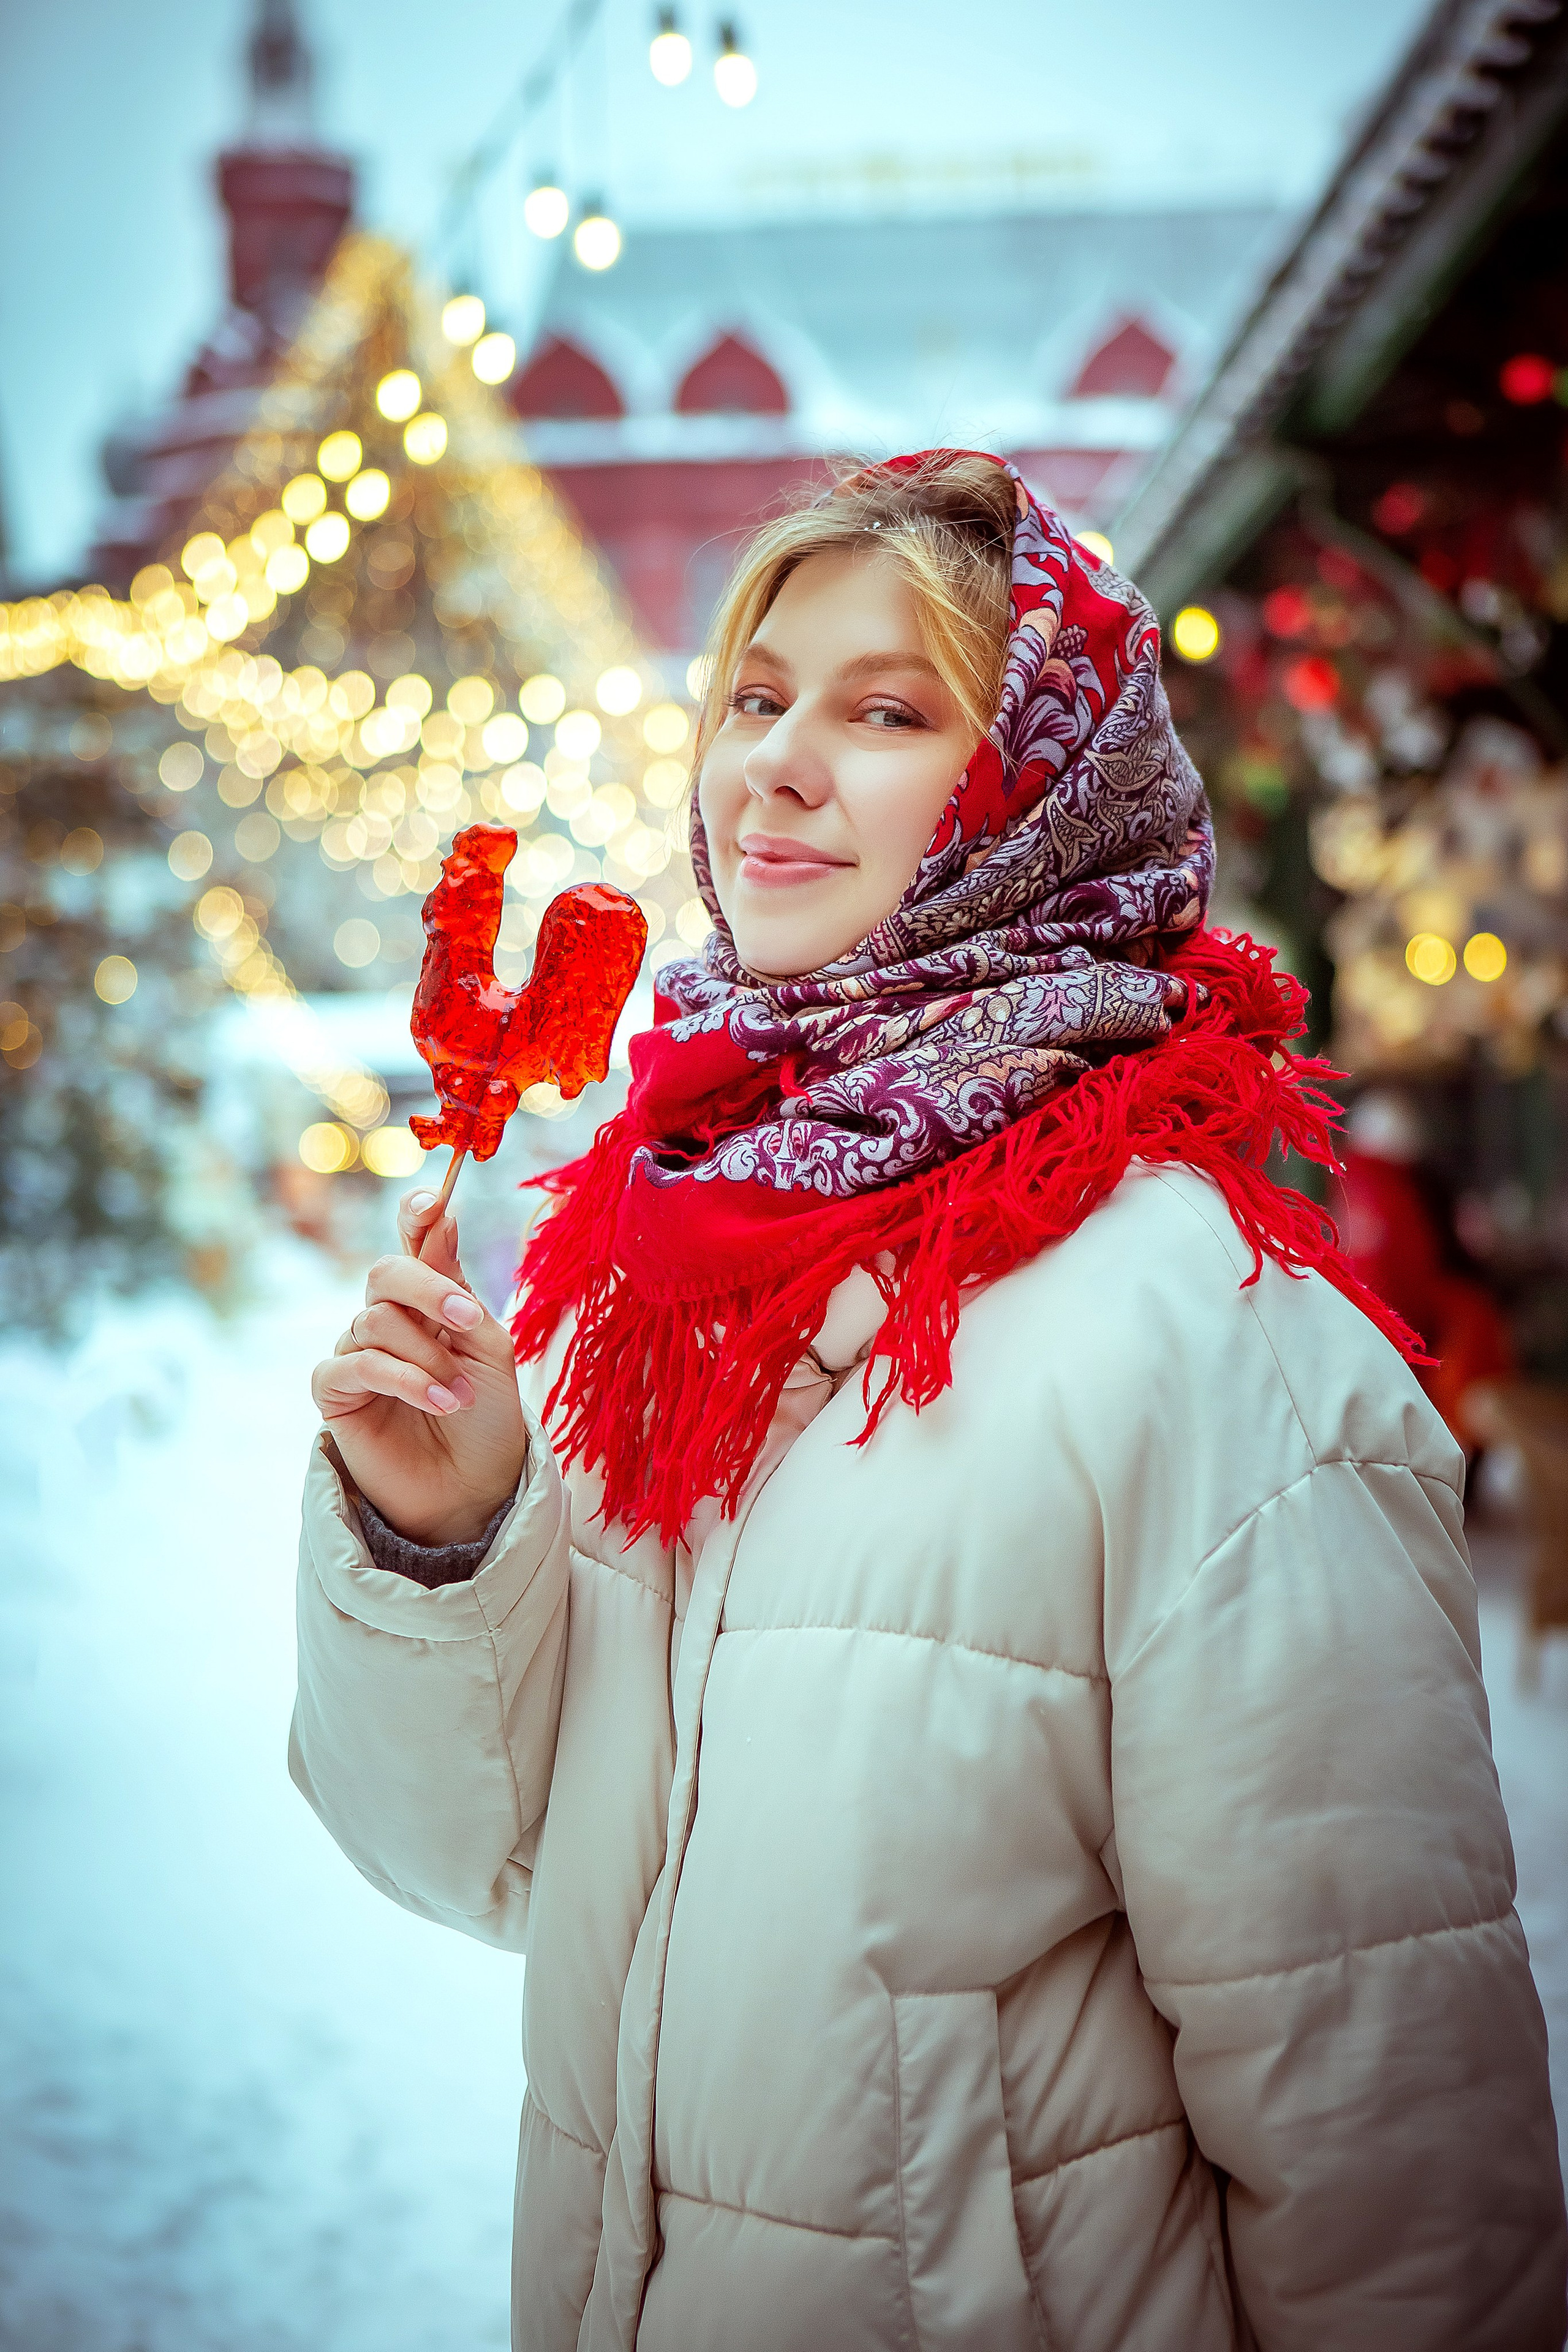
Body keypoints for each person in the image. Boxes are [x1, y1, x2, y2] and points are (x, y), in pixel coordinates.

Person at [292, 453, 1566, 2352]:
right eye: (757, 696)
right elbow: (490, 1873)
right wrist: (448, 1535)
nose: (778, 764)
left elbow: (1388, 2151)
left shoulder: (1211, 1341)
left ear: (1042, 800)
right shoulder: (658, 1279)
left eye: (887, 713)